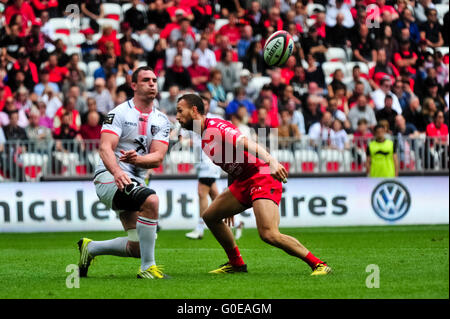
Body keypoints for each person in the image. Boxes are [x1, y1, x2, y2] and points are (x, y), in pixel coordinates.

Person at [176, 93, 331, 276]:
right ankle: (236, 264)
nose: (177, 116)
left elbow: (247, 143)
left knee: (269, 234)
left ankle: (319, 264)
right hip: (243, 181)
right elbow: (231, 166)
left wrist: (272, 161)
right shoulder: (204, 139)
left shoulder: (216, 128)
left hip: (262, 175)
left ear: (194, 110)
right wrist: (229, 195)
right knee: (210, 216)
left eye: (180, 111)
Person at [77, 66, 172, 280]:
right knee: (152, 201)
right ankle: (148, 269)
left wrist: (137, 159)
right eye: (146, 80)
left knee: (137, 247)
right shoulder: (118, 113)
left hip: (133, 181)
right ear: (134, 85)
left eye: (154, 80)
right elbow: (105, 148)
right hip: (109, 178)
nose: (152, 84)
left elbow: (157, 157)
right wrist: (118, 171)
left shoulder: (162, 120)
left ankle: (89, 249)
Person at [186, 95, 225, 240]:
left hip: (209, 161)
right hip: (201, 161)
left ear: (208, 106)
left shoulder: (214, 119)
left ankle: (199, 228)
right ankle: (237, 222)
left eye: (206, 103)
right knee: (215, 195)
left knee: (202, 192)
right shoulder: (194, 121)